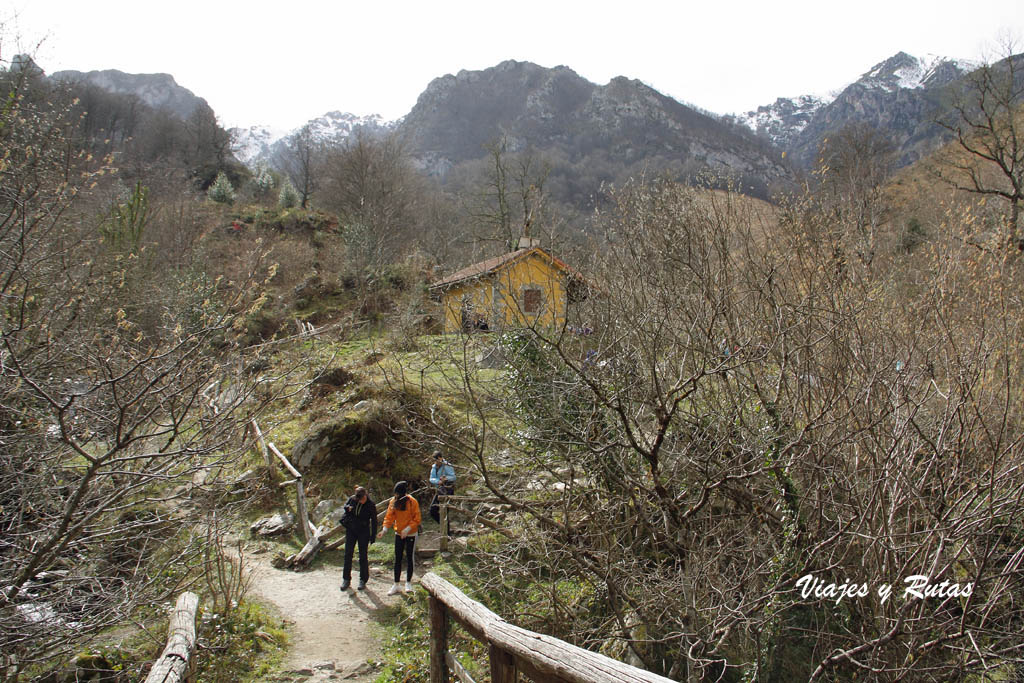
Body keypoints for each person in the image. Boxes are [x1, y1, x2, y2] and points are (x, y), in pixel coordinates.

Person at [377, 481, 421, 595]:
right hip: (398, 534)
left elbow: (417, 519)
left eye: (397, 493)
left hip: (411, 534)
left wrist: (407, 530)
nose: (395, 496)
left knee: (410, 557)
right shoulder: (393, 501)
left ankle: (408, 583)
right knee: (398, 558)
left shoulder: (412, 502)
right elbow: (389, 517)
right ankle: (396, 584)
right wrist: (385, 530)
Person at [340, 486, 376, 591]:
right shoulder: (353, 499)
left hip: (363, 531)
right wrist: (348, 508)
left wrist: (372, 536)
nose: (361, 501)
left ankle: (363, 579)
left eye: (362, 499)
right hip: (351, 529)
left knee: (363, 555)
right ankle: (346, 579)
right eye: (359, 500)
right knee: (348, 554)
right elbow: (345, 507)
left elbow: (374, 521)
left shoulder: (370, 505)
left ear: (365, 495)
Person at [428, 451, 456, 524]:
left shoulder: (447, 465)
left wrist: (445, 479)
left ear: (440, 458)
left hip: (448, 489)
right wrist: (438, 481)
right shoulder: (434, 467)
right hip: (439, 489)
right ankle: (444, 526)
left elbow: (453, 477)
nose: (435, 462)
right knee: (432, 510)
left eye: (436, 460)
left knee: (445, 511)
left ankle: (447, 531)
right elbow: (431, 478)